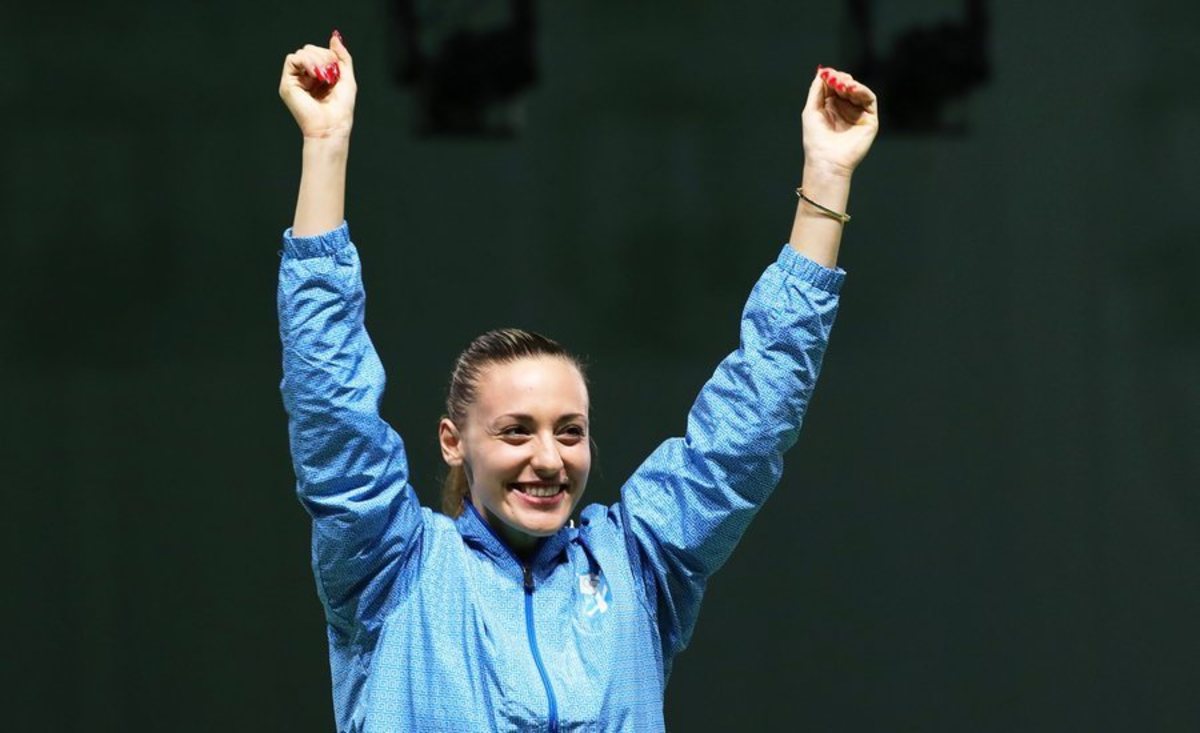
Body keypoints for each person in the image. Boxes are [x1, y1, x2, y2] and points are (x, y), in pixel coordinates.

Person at [278, 29, 879, 733]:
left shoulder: (637, 563)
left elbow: (748, 427)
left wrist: (826, 177)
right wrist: (325, 142)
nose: (548, 458)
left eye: (570, 432)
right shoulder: (392, 570)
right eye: (515, 431)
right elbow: (331, 401)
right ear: (452, 441)